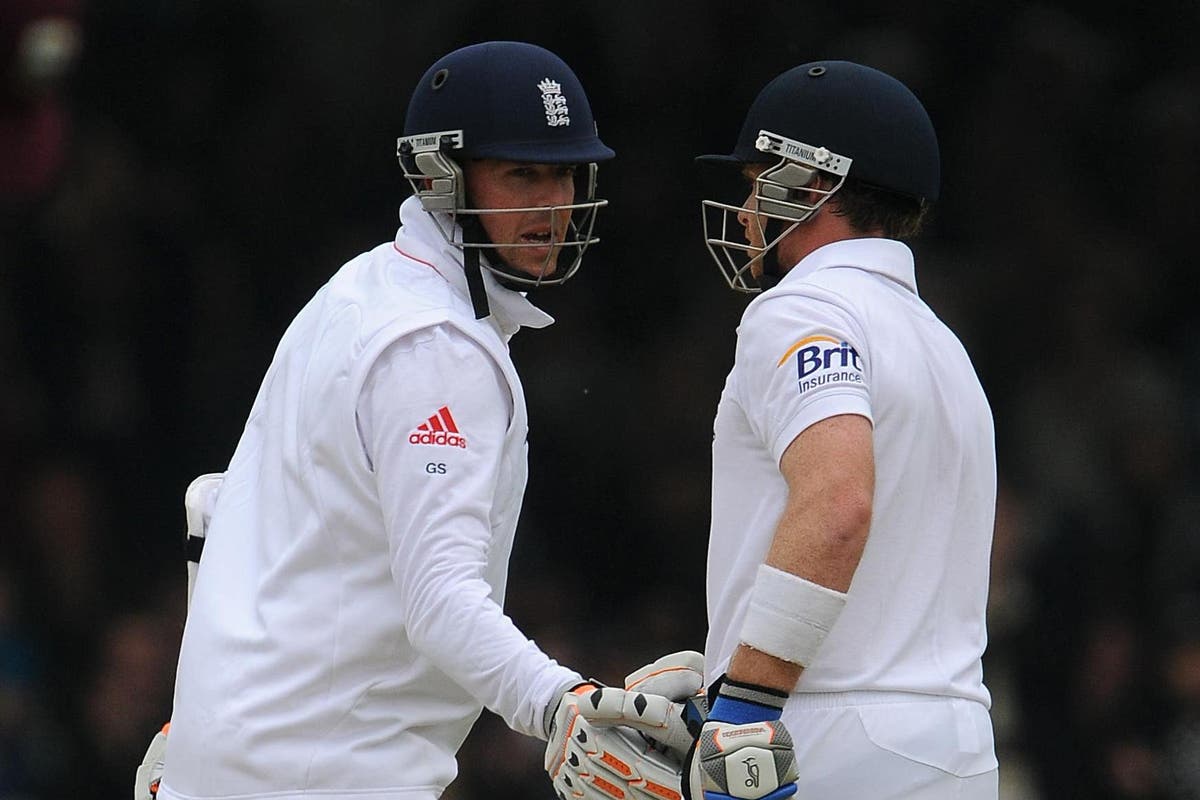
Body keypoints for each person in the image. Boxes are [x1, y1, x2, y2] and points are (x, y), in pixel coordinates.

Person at [133, 41, 670, 800]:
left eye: (566, 174)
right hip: (325, 777)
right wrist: (559, 704)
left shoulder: (357, 290)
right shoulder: (437, 346)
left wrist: (198, 727)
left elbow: (224, 510)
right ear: (438, 175)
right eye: (522, 174)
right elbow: (440, 601)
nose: (553, 203)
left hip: (244, 763)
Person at [591, 61, 1000, 800]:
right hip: (959, 744)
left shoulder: (802, 308)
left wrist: (744, 701)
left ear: (810, 187)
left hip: (826, 737)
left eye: (757, 184)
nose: (746, 211)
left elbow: (838, 501)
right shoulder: (944, 344)